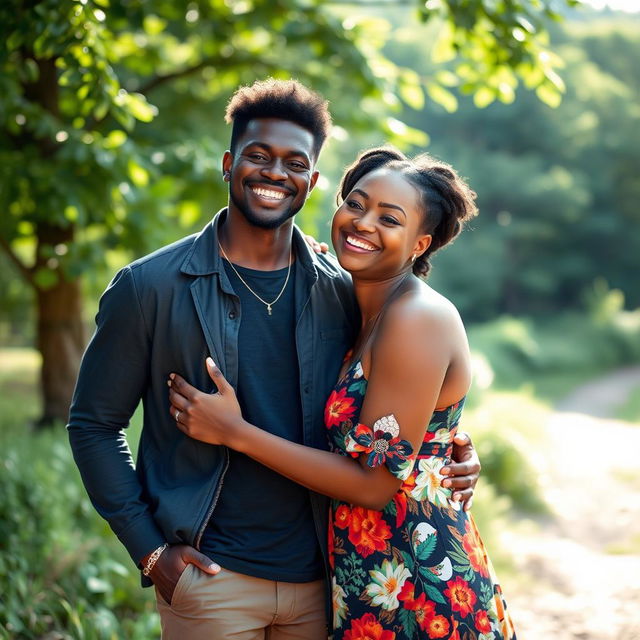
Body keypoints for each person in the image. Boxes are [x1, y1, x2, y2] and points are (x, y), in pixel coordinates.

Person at [67, 79, 481, 639]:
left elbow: (391, 413)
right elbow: (94, 425)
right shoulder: (150, 287)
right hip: (213, 578)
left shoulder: (341, 289)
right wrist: (151, 552)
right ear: (228, 162)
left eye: (294, 163)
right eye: (257, 156)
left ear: (312, 181)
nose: (273, 173)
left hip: (329, 580)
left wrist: (446, 446)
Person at [167, 146, 516, 639]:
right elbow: (406, 428)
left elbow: (374, 484)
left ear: (420, 244)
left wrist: (235, 433)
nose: (363, 222)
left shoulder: (416, 317)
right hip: (368, 574)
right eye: (356, 203)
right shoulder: (355, 302)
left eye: (389, 218)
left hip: (418, 583)